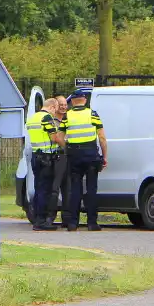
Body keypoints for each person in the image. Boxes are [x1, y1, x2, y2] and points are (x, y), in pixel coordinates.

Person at [60, 89, 107, 231]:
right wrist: (104, 156)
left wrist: (68, 148)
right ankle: (92, 222)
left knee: (75, 189)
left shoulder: (67, 116)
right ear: (85, 100)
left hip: (74, 155)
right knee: (92, 189)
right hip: (91, 155)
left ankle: (73, 223)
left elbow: (60, 138)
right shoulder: (93, 114)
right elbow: (102, 138)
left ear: (73, 101)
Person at [25, 99, 65, 231]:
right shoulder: (46, 117)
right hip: (46, 158)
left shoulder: (32, 117)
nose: (56, 113)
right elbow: (54, 138)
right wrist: (67, 146)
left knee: (38, 188)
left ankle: (37, 218)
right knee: (45, 190)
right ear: (52, 107)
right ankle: (41, 221)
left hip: (36, 156)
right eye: (57, 108)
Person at [51, 96, 70, 226]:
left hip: (68, 156)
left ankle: (67, 219)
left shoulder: (70, 119)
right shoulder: (51, 121)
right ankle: (50, 217)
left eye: (65, 104)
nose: (63, 107)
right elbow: (56, 138)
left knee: (68, 189)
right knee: (54, 188)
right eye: (61, 104)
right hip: (57, 156)